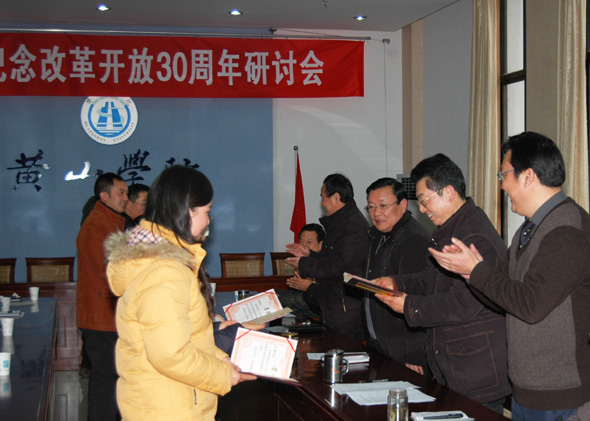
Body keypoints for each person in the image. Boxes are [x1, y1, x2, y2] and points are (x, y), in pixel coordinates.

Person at [429, 132, 590, 420]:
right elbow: (502, 297)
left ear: (527, 176)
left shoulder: (566, 230)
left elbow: (530, 304)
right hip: (527, 392)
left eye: (504, 175)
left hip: (559, 395)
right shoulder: (529, 229)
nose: (502, 185)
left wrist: (475, 270)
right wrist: (468, 271)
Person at [105, 165, 255, 420]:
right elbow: (170, 355)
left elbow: (186, 338)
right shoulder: (164, 272)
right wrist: (221, 374)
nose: (208, 221)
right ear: (186, 211)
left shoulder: (158, 261)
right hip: (169, 408)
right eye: (206, 211)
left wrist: (220, 360)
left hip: (168, 400)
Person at [373, 154, 511, 413]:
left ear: (448, 192)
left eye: (424, 200)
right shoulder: (449, 229)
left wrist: (409, 306)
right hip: (455, 367)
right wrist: (396, 282)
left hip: (475, 370)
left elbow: (462, 304)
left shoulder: (473, 236)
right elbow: (430, 279)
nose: (422, 209)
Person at [286, 173, 369, 340]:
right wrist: (309, 254)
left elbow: (338, 267)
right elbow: (331, 259)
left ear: (336, 198)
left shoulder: (352, 227)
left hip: (346, 310)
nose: (322, 203)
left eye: (323, 197)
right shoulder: (340, 223)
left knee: (343, 351)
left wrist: (304, 263)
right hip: (334, 304)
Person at [363, 178, 430, 372]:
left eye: (383, 206)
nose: (376, 213)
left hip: (404, 352)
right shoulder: (378, 235)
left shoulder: (413, 239)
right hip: (382, 344)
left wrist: (414, 354)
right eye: (371, 207)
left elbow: (416, 297)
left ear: (403, 205)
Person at [77, 172, 128, 420]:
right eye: (121, 193)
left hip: (109, 315)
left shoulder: (113, 222)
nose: (126, 198)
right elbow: (106, 269)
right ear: (104, 195)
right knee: (105, 382)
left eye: (127, 193)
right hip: (100, 317)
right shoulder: (95, 225)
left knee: (112, 380)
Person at [277, 223, 325, 318]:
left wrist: (311, 286)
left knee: (274, 298)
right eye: (301, 241)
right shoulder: (302, 262)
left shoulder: (326, 264)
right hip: (304, 306)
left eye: (309, 242)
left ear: (321, 245)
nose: (304, 246)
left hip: (320, 311)